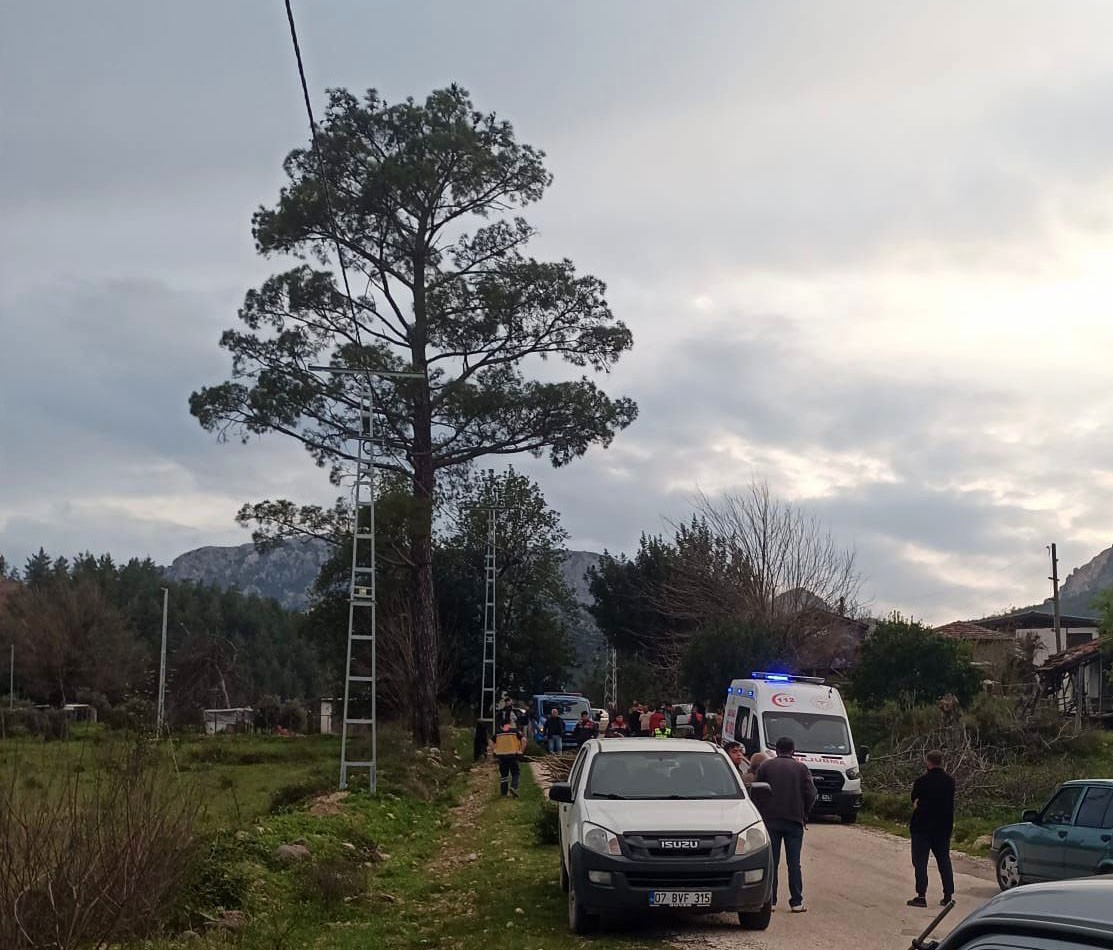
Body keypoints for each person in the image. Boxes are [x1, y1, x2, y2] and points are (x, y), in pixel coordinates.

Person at [756, 736, 817, 913]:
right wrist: (805, 812)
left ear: (776, 750)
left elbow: (757, 791)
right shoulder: (801, 768)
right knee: (794, 863)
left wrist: (761, 812)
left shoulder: (766, 766)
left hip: (770, 821)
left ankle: (771, 901)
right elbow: (812, 793)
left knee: (772, 861)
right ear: (793, 750)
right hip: (794, 821)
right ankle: (796, 902)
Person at [907, 750, 956, 908]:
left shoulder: (921, 781)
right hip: (942, 827)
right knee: (944, 861)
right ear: (942, 762)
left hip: (922, 826)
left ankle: (921, 895)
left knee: (920, 862)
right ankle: (948, 895)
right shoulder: (950, 782)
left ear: (928, 762)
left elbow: (915, 801)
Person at [490, 721, 523, 798]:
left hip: (501, 756)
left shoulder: (498, 733)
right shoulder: (515, 731)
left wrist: (494, 750)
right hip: (513, 756)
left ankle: (504, 792)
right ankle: (513, 787)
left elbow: (491, 741)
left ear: (502, 726)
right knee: (515, 773)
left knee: (504, 775)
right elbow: (524, 740)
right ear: (510, 724)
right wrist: (521, 750)